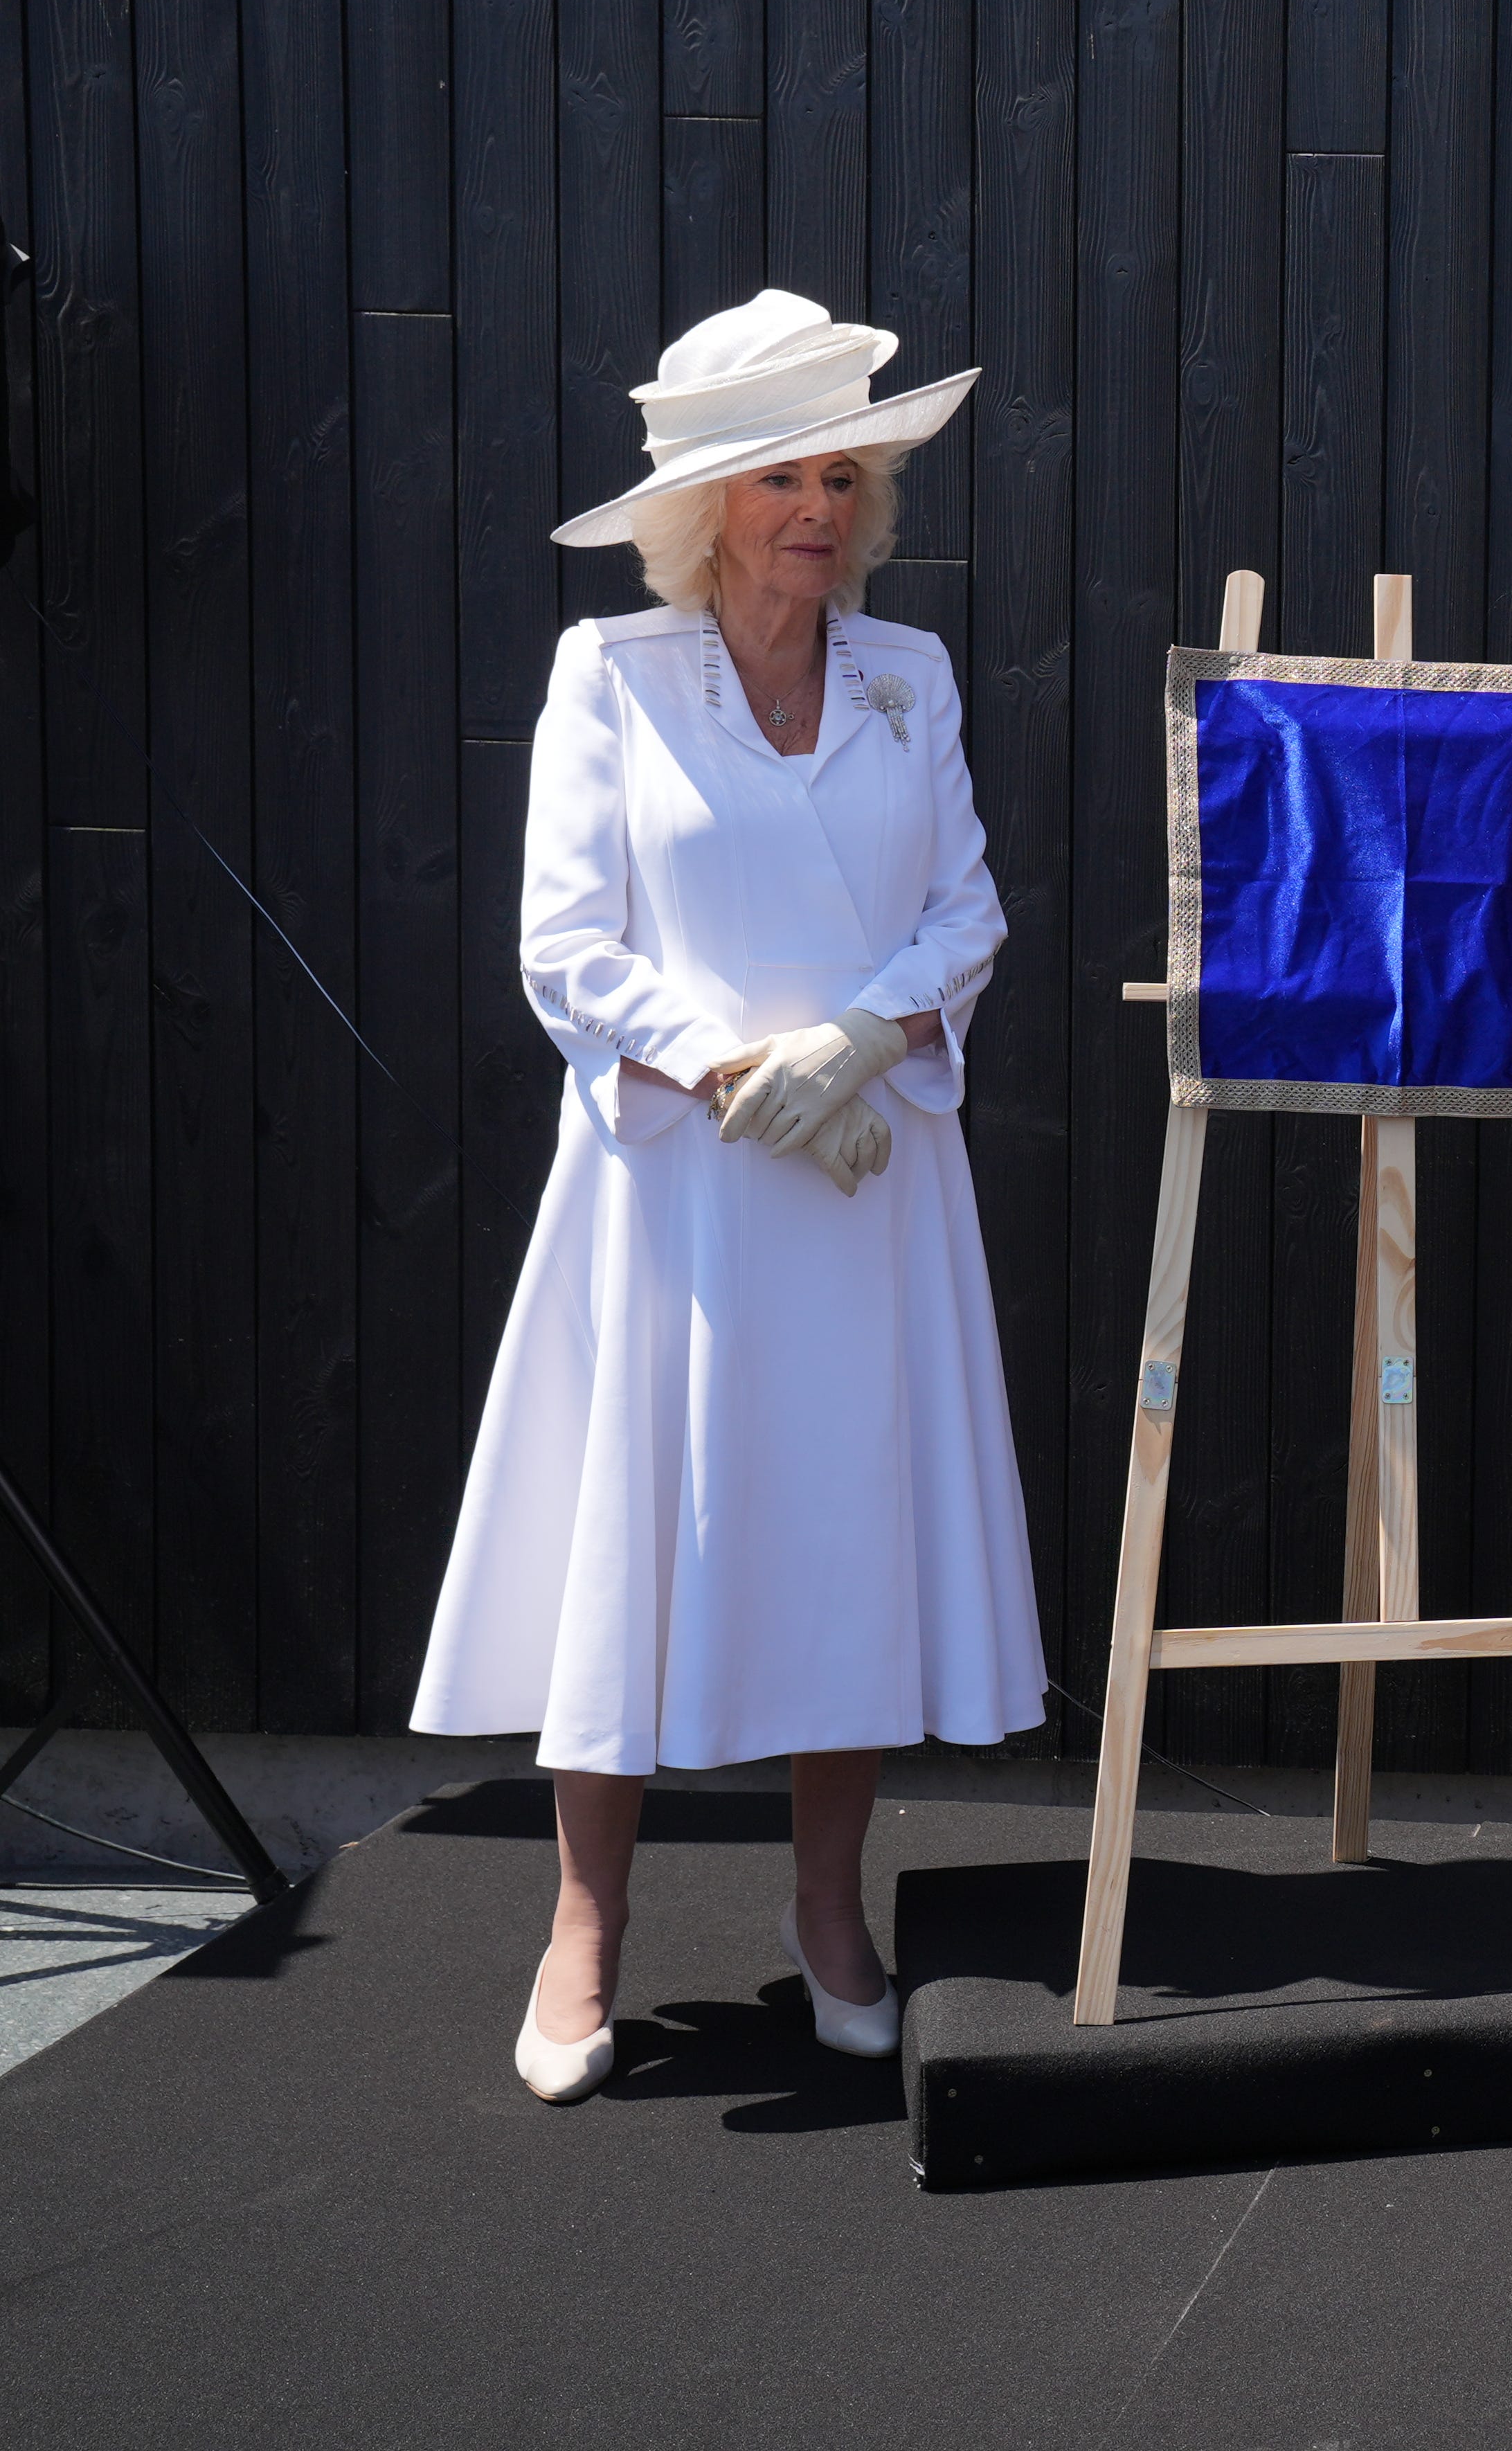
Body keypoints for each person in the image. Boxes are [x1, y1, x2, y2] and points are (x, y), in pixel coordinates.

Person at [409, 291, 1040, 2105]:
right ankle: (584, 1929)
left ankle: (828, 1916)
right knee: (636, 1551)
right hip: (681, 1194)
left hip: (866, 1192)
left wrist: (854, 1051)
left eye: (843, 473)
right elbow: (567, 948)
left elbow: (969, 912)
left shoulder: (910, 677)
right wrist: (745, 1071)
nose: (818, 509)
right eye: (781, 478)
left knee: (840, 1543)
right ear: (705, 510)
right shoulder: (608, 677)